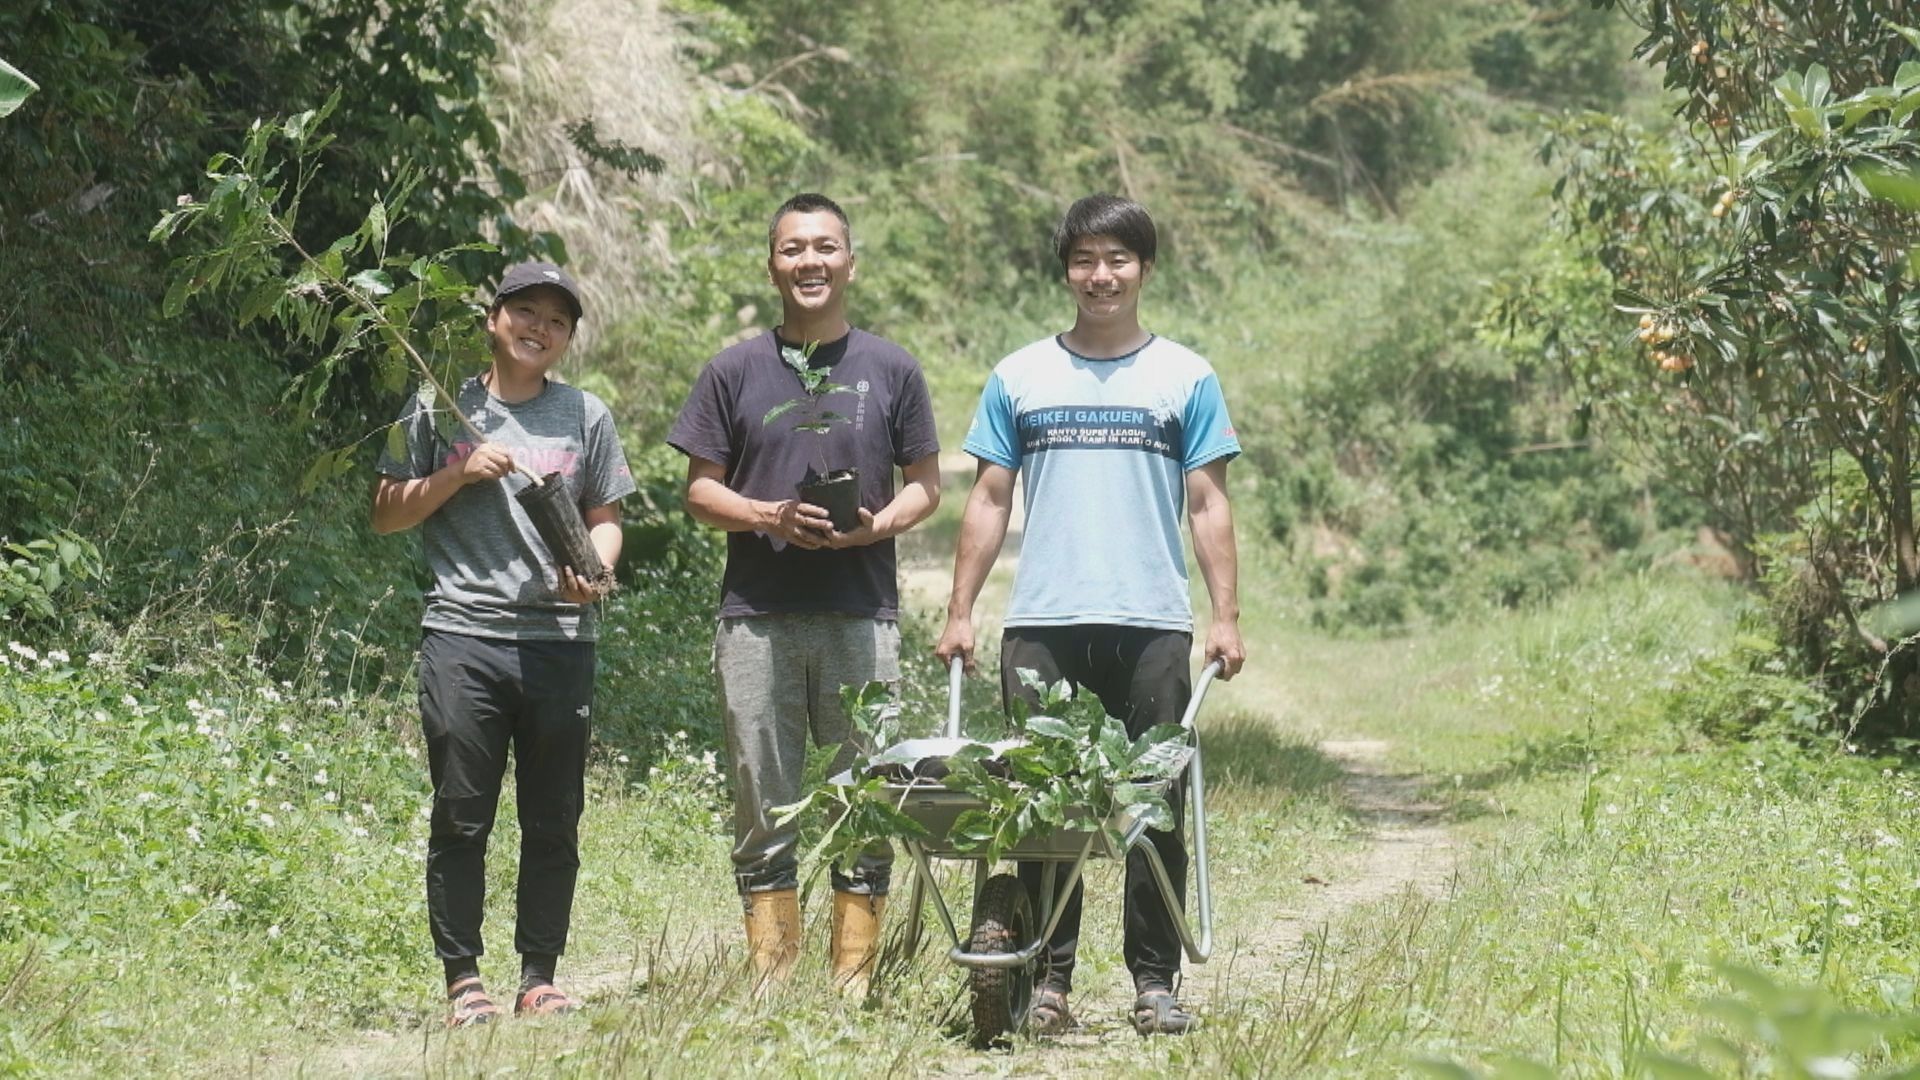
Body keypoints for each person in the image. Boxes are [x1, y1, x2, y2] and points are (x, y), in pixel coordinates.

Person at [934, 194, 1245, 1037]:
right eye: (1084, 260)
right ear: (1065, 269)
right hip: (1044, 624)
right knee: (1042, 811)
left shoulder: (1185, 375)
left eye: (1117, 260)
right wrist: (961, 611)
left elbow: (1208, 502)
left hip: (1150, 623)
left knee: (1152, 806)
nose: (1100, 276)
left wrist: (1225, 615)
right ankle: (1045, 985)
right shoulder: (1020, 376)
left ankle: (1154, 982)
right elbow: (990, 498)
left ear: (1143, 269)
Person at [668, 193, 941, 995]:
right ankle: (773, 978)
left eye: (825, 247)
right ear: (772, 265)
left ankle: (853, 980)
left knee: (868, 793)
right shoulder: (733, 370)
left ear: (850, 263)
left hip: (863, 611)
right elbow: (698, 493)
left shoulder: (891, 368)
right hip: (757, 617)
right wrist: (769, 514)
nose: (810, 262)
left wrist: (876, 527)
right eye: (793, 249)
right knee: (764, 795)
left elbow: (926, 485)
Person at [373, 261, 636, 1027]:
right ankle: (463, 981)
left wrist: (597, 571)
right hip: (463, 635)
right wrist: (458, 472)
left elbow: (606, 516)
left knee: (553, 816)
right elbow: (386, 512)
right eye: (525, 311)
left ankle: (539, 976)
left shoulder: (586, 415)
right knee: (462, 812)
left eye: (556, 320)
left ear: (568, 337)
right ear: (493, 319)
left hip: (561, 639)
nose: (538, 328)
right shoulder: (434, 404)